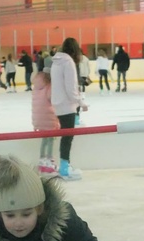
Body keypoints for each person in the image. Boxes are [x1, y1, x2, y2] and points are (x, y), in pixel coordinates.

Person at [51, 37, 88, 181]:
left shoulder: (57, 62)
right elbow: (71, 88)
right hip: (67, 105)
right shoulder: (68, 63)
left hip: (58, 104)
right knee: (68, 137)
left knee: (66, 137)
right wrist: (81, 102)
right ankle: (65, 168)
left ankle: (65, 166)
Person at [31, 69, 60, 176]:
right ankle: (49, 160)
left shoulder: (36, 87)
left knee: (44, 139)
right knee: (51, 139)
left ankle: (42, 160)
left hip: (38, 118)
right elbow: (52, 99)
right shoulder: (49, 87)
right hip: (49, 117)